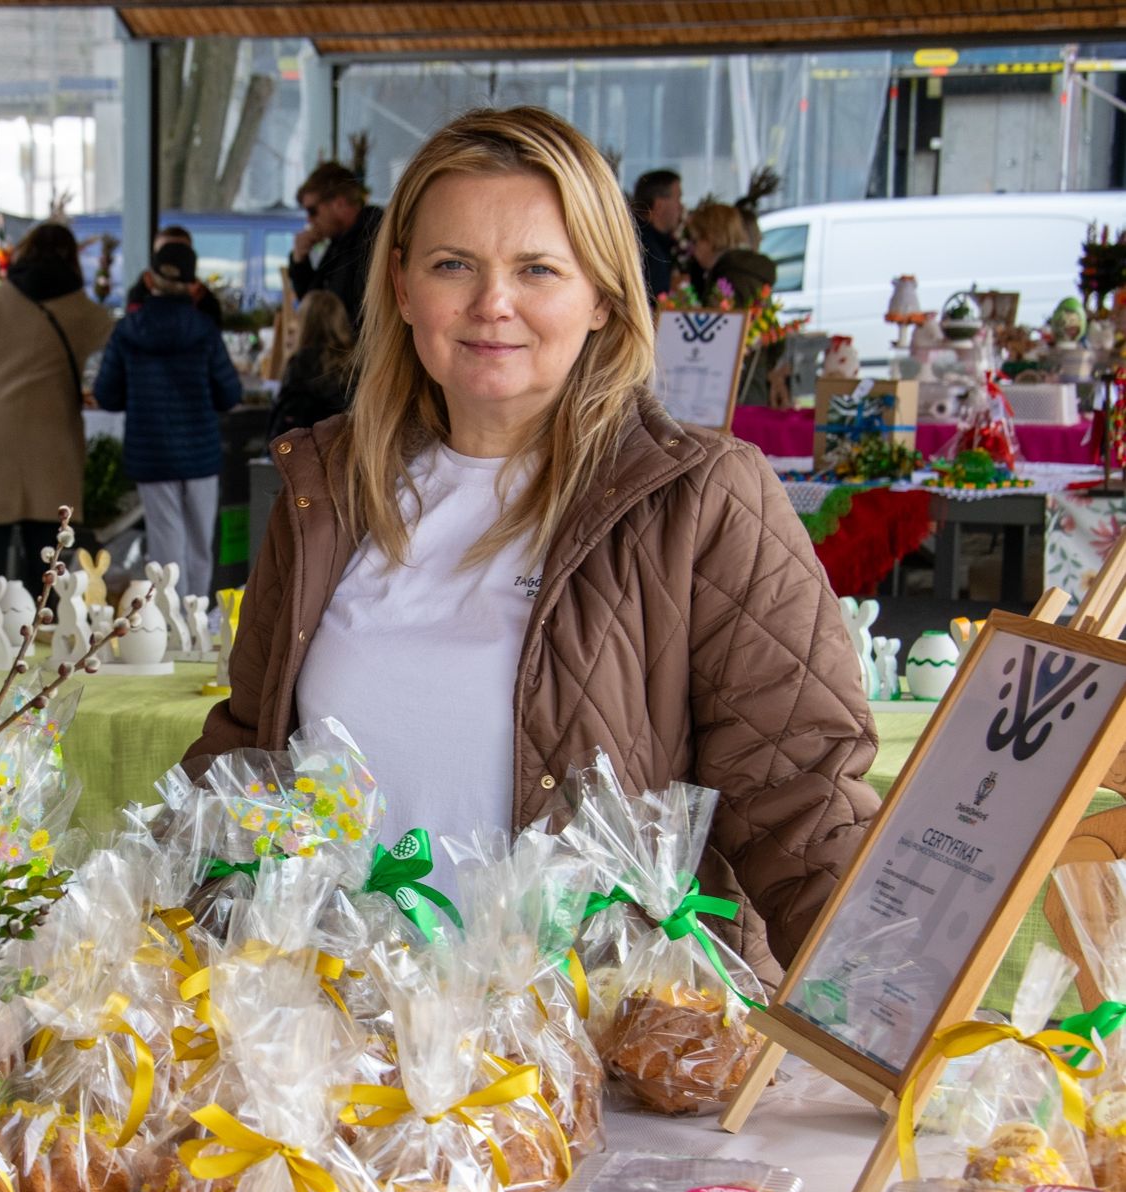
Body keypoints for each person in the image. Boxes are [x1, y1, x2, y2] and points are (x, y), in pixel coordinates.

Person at [185, 105, 879, 991]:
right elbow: (247, 758)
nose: (491, 305)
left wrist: (889, 1010)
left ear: (601, 295)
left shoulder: (702, 497)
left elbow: (801, 799)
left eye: (537, 269)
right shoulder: (329, 494)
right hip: (347, 1058)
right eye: (453, 266)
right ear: (402, 288)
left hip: (598, 1056)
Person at [0, 221, 115, 595]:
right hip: (51, 442)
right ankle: (42, 639)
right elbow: (109, 339)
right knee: (47, 568)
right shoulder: (86, 313)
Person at [93, 239, 242, 598]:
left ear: (150, 280)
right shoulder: (204, 330)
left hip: (152, 452)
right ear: (194, 286)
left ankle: (169, 627)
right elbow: (230, 394)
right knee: (199, 548)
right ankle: (195, 625)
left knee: (165, 548)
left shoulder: (128, 330)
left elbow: (106, 395)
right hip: (200, 453)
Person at [289, 162, 383, 329]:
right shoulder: (339, 242)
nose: (310, 220)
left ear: (339, 203)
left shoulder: (373, 239)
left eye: (312, 211)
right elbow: (314, 306)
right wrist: (300, 261)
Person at [266, 290, 354, 442]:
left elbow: (285, 424)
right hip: (351, 452)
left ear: (305, 323)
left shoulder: (302, 364)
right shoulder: (357, 362)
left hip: (312, 454)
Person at [125, 225, 224, 327]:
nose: (173, 258)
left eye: (181, 253)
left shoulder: (204, 298)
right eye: (166, 253)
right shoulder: (139, 294)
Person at [684, 200, 776, 305]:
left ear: (711, 239)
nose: (693, 249)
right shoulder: (743, 269)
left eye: (695, 241)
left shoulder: (731, 277)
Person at [631, 169, 682, 302]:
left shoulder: (657, 242)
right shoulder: (644, 246)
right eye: (678, 199)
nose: (681, 207)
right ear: (659, 205)